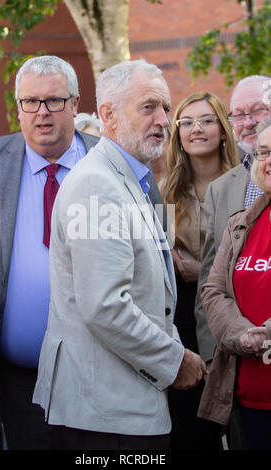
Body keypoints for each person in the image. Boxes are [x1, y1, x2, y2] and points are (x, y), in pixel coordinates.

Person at [33, 59, 208, 451]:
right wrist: (175, 360)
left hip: (119, 408)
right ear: (108, 115)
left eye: (166, 107)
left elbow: (150, 297)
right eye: (148, 107)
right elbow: (106, 305)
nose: (164, 119)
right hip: (104, 419)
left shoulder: (132, 179)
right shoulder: (97, 184)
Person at [0, 55, 101, 450]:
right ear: (18, 108)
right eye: (31, 102)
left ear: (75, 104)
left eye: (54, 101)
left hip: (101, 379)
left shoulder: (114, 164)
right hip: (17, 385)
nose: (42, 113)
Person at [160, 91, 240, 449]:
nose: (196, 129)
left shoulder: (245, 186)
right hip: (182, 315)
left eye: (207, 120)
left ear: (223, 130)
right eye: (186, 122)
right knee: (190, 417)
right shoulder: (165, 191)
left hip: (231, 308)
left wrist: (207, 270)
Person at [198, 117, 271, 450]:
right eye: (264, 153)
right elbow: (214, 290)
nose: (268, 162)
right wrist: (241, 334)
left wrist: (267, 332)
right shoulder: (240, 224)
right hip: (246, 401)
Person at [195, 75, 271, 365]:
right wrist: (210, 353)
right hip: (235, 355)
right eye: (238, 115)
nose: (247, 122)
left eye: (257, 110)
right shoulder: (222, 188)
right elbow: (210, 280)